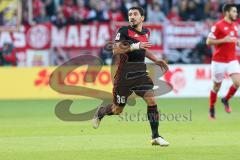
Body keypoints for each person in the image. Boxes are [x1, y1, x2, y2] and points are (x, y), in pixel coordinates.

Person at [92, 6, 170, 146]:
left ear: (142, 18)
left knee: (151, 100)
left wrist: (155, 59)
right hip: (124, 75)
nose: (132, 16)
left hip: (140, 73)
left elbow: (143, 49)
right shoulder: (123, 31)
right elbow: (116, 50)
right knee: (117, 109)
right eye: (129, 14)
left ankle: (155, 136)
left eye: (135, 14)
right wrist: (135, 46)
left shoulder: (146, 32)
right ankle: (101, 112)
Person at [206, 3, 240, 119]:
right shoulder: (218, 26)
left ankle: (226, 99)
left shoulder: (235, 25)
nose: (236, 13)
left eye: (236, 11)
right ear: (227, 13)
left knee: (237, 82)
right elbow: (209, 41)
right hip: (219, 61)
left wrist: (237, 42)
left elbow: (234, 39)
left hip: (232, 59)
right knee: (216, 86)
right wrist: (222, 40)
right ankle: (211, 108)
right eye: (234, 11)